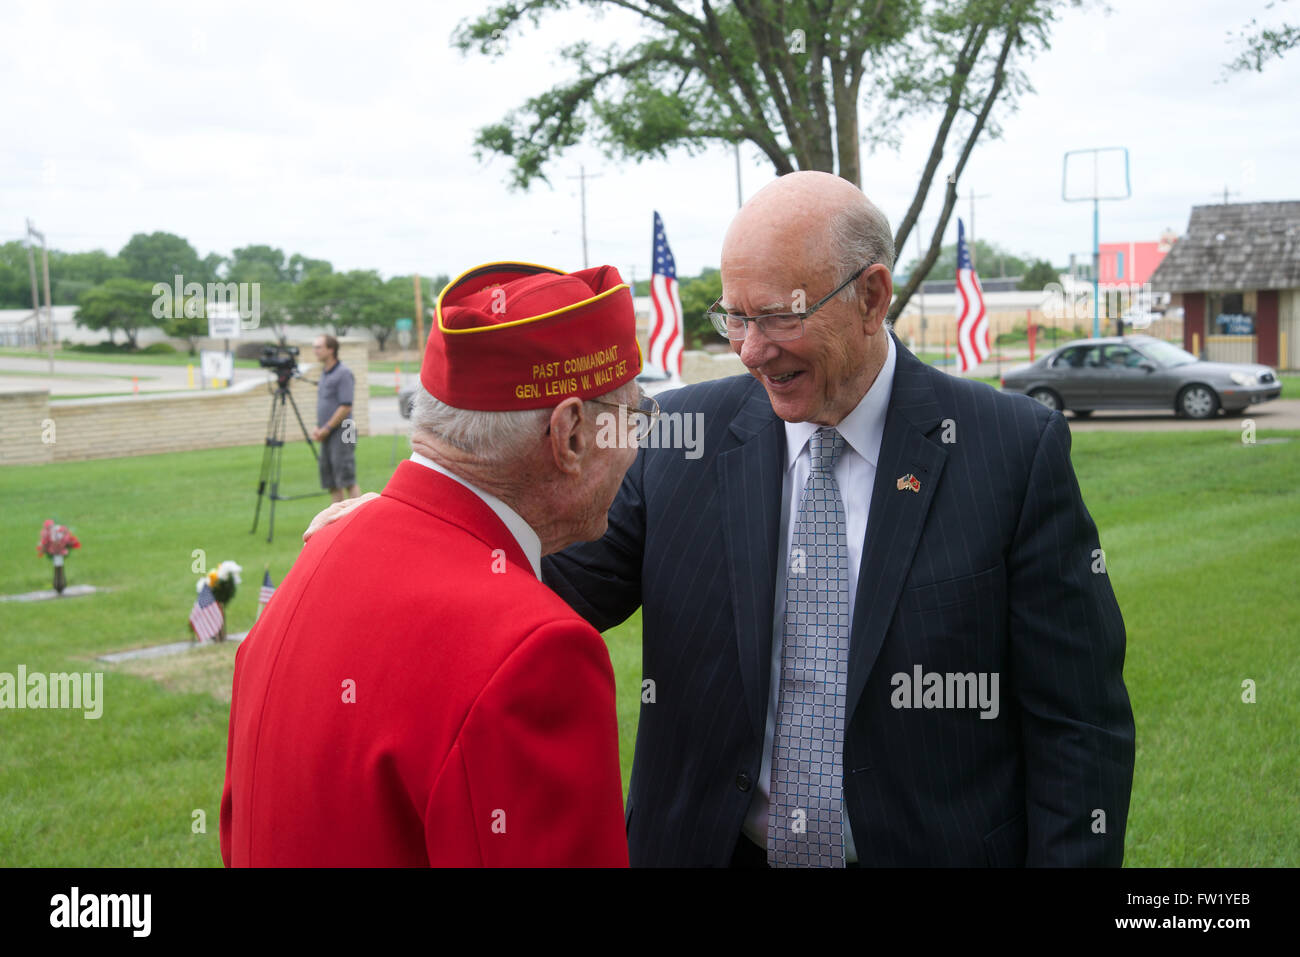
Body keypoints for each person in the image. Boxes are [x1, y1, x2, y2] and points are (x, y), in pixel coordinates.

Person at [309, 173, 1136, 868]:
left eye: (777, 315)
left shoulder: (1010, 450)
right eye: (733, 317)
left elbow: (1079, 726)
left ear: (873, 296)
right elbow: (534, 587)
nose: (748, 349)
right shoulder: (682, 437)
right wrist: (408, 534)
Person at [222, 262, 645, 866]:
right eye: (633, 416)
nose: (635, 447)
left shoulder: (322, 550)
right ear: (571, 435)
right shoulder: (536, 652)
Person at [311, 334, 360, 502]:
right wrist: (319, 428)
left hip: (344, 431)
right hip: (327, 432)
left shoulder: (344, 373)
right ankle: (337, 522)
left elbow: (346, 406)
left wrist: (326, 428)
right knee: (331, 480)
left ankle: (355, 518)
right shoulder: (324, 373)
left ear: (331, 350)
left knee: (346, 478)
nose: (315, 351)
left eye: (318, 347)